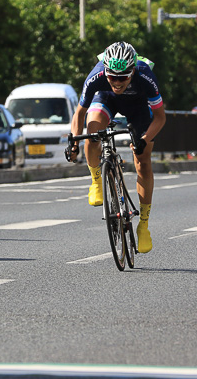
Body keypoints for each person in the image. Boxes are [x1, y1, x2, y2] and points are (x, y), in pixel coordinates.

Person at [66, 41, 166, 254]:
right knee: (92, 132)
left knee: (143, 161)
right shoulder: (97, 75)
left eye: (123, 77)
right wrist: (74, 141)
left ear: (132, 71)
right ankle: (96, 180)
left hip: (138, 108)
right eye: (113, 76)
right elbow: (79, 114)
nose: (118, 82)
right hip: (106, 100)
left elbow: (160, 117)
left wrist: (144, 139)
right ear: (106, 72)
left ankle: (144, 225)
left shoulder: (145, 74)